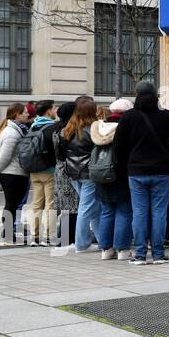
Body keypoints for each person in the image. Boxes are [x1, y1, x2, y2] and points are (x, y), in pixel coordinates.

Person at [114, 81, 169, 265]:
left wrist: (125, 165)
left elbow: (118, 146)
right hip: (161, 171)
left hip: (136, 171)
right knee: (159, 212)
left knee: (139, 212)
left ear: (136, 94)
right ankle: (159, 253)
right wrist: (167, 156)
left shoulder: (129, 117)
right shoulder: (166, 116)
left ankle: (139, 254)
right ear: (155, 95)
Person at [55, 97, 100, 252]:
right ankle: (82, 244)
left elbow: (60, 154)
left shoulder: (67, 129)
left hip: (72, 172)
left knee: (92, 208)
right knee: (87, 208)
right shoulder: (93, 129)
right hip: (89, 173)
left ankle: (102, 240)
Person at [92, 99, 134, 260]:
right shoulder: (126, 128)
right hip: (121, 175)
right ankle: (122, 249)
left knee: (106, 212)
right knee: (124, 212)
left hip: (101, 175)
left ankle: (106, 249)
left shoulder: (99, 128)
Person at [0, 103, 29, 245]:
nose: (27, 114)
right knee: (11, 205)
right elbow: (4, 155)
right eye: (24, 112)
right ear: (16, 115)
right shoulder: (12, 132)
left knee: (11, 205)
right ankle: (7, 237)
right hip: (13, 174)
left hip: (13, 173)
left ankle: (9, 236)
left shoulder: (12, 130)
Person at [25, 100, 60, 246]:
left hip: (34, 170)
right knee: (50, 204)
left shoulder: (32, 126)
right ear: (48, 111)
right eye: (53, 109)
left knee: (36, 203)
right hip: (49, 170)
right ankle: (49, 236)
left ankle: (34, 237)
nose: (55, 111)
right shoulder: (52, 127)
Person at [52, 101, 80, 247]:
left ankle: (63, 237)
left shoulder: (56, 128)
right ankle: (68, 238)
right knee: (72, 206)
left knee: (64, 206)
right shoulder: (69, 130)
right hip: (69, 170)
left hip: (59, 170)